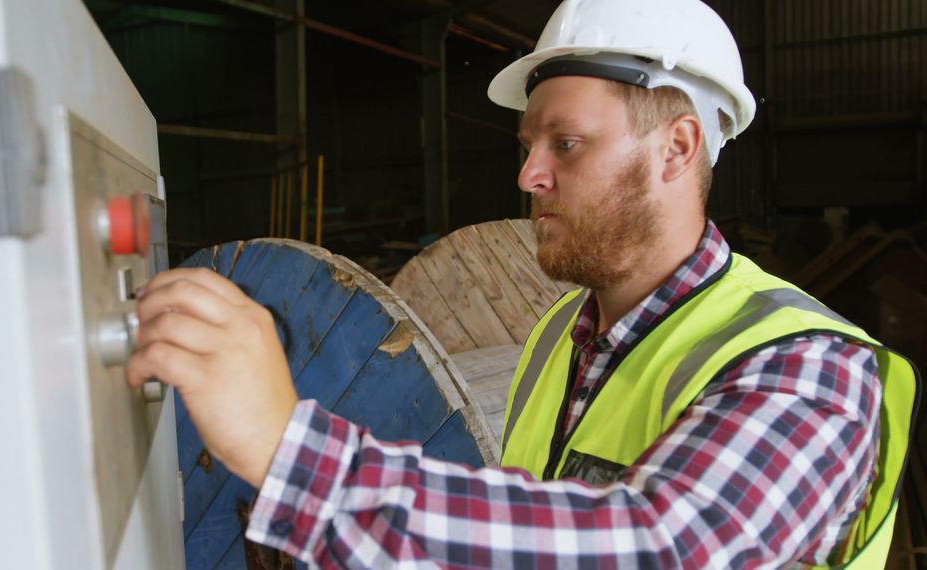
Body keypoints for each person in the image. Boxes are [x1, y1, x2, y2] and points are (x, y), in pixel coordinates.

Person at [127, 0, 919, 567]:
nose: (528, 173)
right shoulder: (557, 335)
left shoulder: (810, 369)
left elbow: (663, 546)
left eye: (566, 142)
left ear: (677, 150)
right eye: (529, 142)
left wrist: (291, 453)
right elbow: (518, 528)